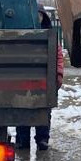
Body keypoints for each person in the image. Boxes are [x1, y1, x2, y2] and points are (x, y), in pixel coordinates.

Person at [16, 9, 64, 150]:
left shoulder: (50, 36)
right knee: (22, 110)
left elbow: (58, 57)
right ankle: (22, 140)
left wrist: (58, 76)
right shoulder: (22, 33)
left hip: (44, 81)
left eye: (40, 15)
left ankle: (42, 139)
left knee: (43, 111)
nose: (38, 18)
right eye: (35, 14)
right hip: (24, 81)